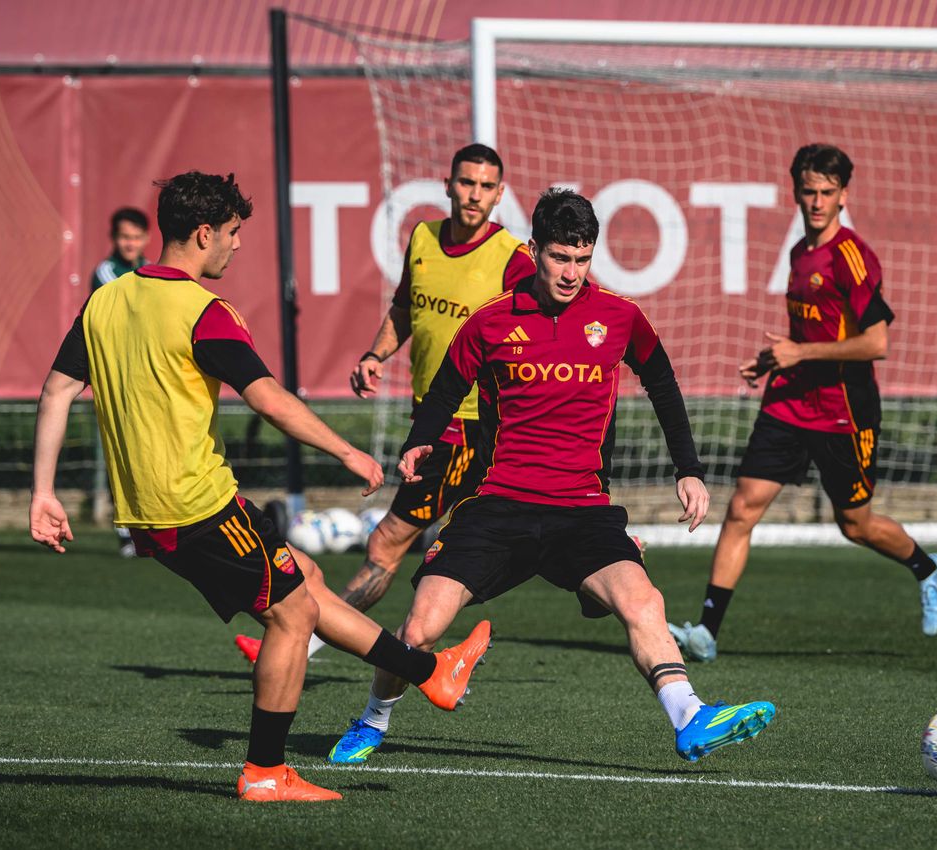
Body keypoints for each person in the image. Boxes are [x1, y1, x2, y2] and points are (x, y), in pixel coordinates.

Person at [30, 171, 490, 802]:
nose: (237, 245)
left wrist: (43, 492)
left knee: (306, 579)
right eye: (232, 233)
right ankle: (267, 772)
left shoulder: (105, 301)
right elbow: (270, 400)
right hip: (199, 506)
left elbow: (56, 389)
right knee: (293, 614)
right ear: (202, 233)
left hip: (151, 516)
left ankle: (432, 674)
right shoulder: (204, 313)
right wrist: (347, 451)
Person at [328, 189, 775, 766]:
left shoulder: (620, 317)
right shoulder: (490, 322)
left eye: (583, 258)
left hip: (582, 510)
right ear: (534, 250)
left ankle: (690, 716)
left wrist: (688, 469)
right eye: (561, 257)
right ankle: (372, 719)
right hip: (499, 507)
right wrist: (419, 442)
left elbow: (663, 384)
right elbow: (445, 391)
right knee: (420, 626)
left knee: (645, 602)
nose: (571, 272)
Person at [233, 143, 535, 664]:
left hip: (465, 429)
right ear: (447, 184)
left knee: (386, 546)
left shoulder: (512, 259)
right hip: (432, 422)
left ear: (500, 194)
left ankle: (300, 640)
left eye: (487, 187)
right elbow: (404, 308)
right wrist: (376, 353)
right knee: (460, 548)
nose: (474, 195)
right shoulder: (422, 238)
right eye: (467, 183)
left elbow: (541, 330)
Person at [668, 144, 937, 664]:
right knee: (741, 508)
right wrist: (777, 360)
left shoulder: (853, 257)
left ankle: (929, 570)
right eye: (808, 191)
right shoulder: (800, 253)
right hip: (790, 400)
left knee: (855, 524)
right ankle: (706, 632)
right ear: (796, 191)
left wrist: (801, 351)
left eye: (827, 193)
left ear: (843, 195)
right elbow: (807, 334)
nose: (817, 201)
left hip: (844, 407)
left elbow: (876, 343)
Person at [90, 207, 152, 558]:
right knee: (122, 455)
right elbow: (132, 313)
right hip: (118, 377)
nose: (130, 243)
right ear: (115, 239)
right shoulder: (105, 273)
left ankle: (155, 529)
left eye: (136, 237)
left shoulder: (150, 271)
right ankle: (128, 533)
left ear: (145, 239)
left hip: (150, 376)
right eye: (124, 237)